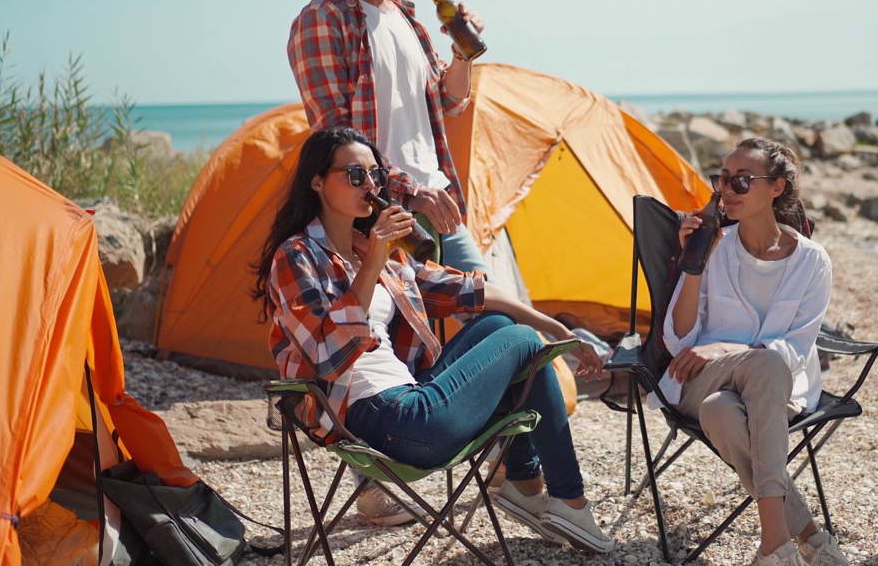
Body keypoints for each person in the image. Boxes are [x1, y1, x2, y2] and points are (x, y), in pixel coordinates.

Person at [253, 126, 616, 554]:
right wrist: (373, 260)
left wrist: (558, 329)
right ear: (317, 180)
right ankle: (568, 498)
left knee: (501, 325)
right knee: (520, 340)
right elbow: (326, 357)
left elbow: (468, 289)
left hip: (411, 403)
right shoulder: (296, 257)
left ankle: (526, 484)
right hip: (383, 422)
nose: (370, 187)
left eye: (376, 176)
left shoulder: (371, 250)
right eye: (355, 175)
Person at [662, 137, 850, 566]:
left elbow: (796, 350)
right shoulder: (716, 246)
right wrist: (693, 263)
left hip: (773, 391)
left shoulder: (812, 261)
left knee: (723, 413)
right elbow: (679, 339)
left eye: (742, 181)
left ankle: (791, 543)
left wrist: (726, 348)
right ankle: (779, 542)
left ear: (777, 188)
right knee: (759, 365)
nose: (727, 190)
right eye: (723, 179)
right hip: (697, 378)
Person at [287, 0, 490, 278]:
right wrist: (411, 190)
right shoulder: (322, 20)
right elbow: (335, 138)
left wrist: (462, 52)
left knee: (496, 312)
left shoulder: (408, 17)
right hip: (380, 215)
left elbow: (450, 101)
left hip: (439, 201)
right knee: (414, 335)